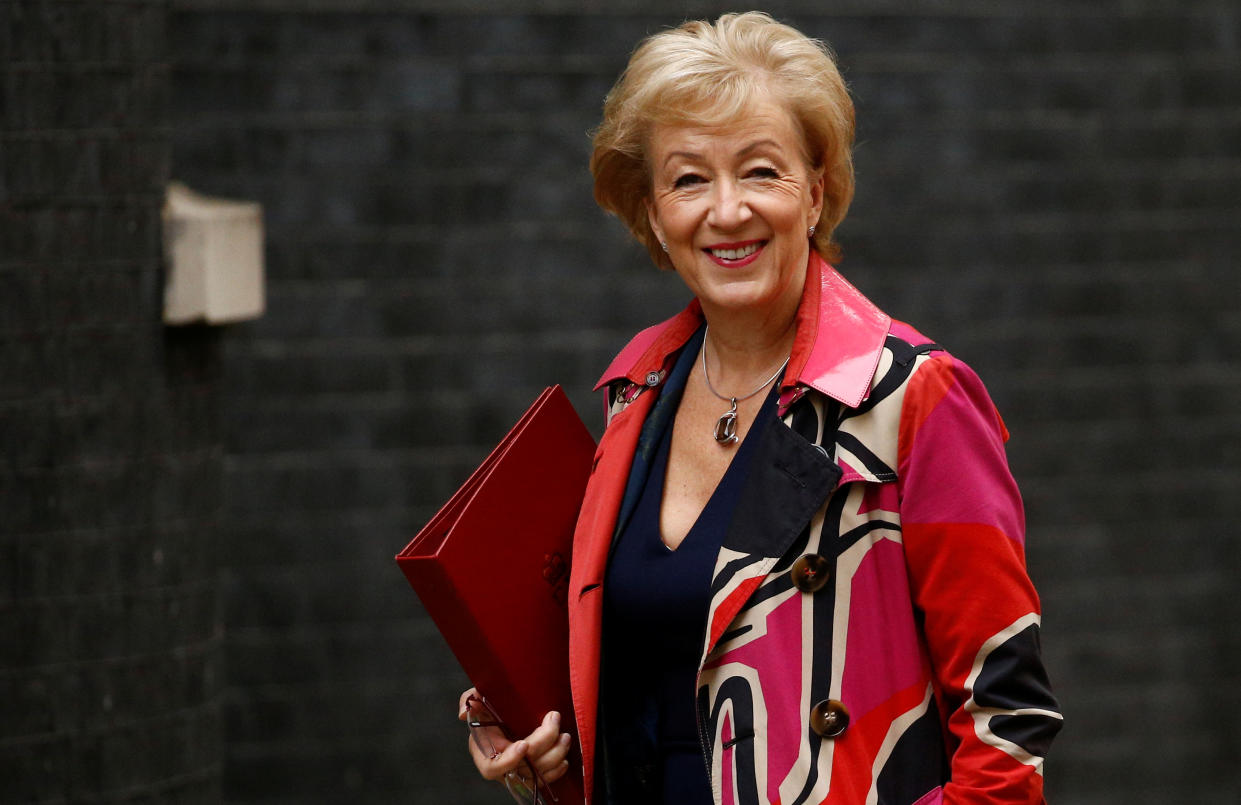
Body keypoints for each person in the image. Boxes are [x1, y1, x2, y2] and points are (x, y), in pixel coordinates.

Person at [459, 12, 1062, 804]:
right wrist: (531, 733)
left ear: (814, 193)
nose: (727, 210)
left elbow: (1005, 725)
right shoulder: (635, 393)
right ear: (651, 213)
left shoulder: (912, 400)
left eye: (759, 171)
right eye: (687, 179)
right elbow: (644, 679)